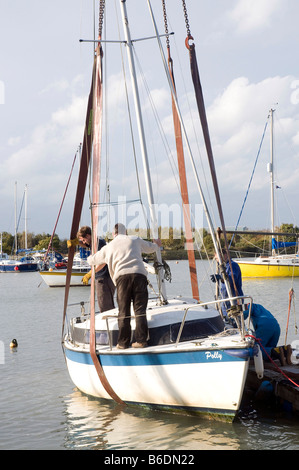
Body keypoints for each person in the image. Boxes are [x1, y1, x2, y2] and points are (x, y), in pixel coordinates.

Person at [87, 223, 161, 349]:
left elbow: (92, 260)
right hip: (139, 276)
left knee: (123, 311)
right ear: (125, 232)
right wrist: (156, 244)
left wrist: (90, 254)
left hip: (122, 278)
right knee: (139, 310)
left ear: (113, 234)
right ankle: (141, 341)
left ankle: (123, 343)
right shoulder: (135, 239)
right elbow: (151, 248)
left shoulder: (109, 246)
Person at [68, 226, 115, 313]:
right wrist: (76, 242)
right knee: (105, 304)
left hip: (104, 279)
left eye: (83, 239)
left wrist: (90, 273)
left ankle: (109, 323)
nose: (83, 242)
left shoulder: (98, 244)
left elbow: (103, 261)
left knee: (105, 306)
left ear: (88, 236)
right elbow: (86, 245)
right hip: (103, 278)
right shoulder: (95, 243)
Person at [211, 249, 244, 319]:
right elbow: (225, 280)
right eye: (216, 259)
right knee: (226, 318)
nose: (217, 260)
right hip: (226, 298)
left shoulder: (233, 265)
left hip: (234, 298)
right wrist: (219, 278)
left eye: (218, 258)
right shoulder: (223, 266)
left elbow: (232, 279)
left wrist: (220, 277)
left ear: (225, 255)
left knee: (235, 320)